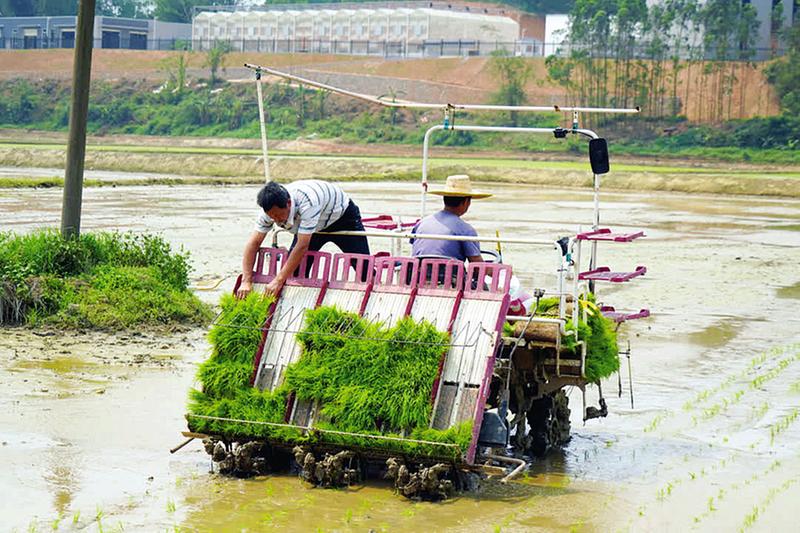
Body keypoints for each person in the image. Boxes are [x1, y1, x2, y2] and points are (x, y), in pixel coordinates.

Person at [236, 180, 369, 299]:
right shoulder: (268, 213)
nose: (275, 221)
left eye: (278, 215)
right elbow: (254, 243)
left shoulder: (308, 202)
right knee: (296, 272)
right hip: (312, 227)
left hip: (342, 218)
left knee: (363, 269)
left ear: (288, 203)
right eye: (272, 217)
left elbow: (302, 246)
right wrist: (246, 280)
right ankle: (301, 303)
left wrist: (278, 280)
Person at [411, 174, 491, 263]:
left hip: (417, 274)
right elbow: (477, 266)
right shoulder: (465, 229)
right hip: (448, 276)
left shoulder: (422, 223)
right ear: (465, 202)